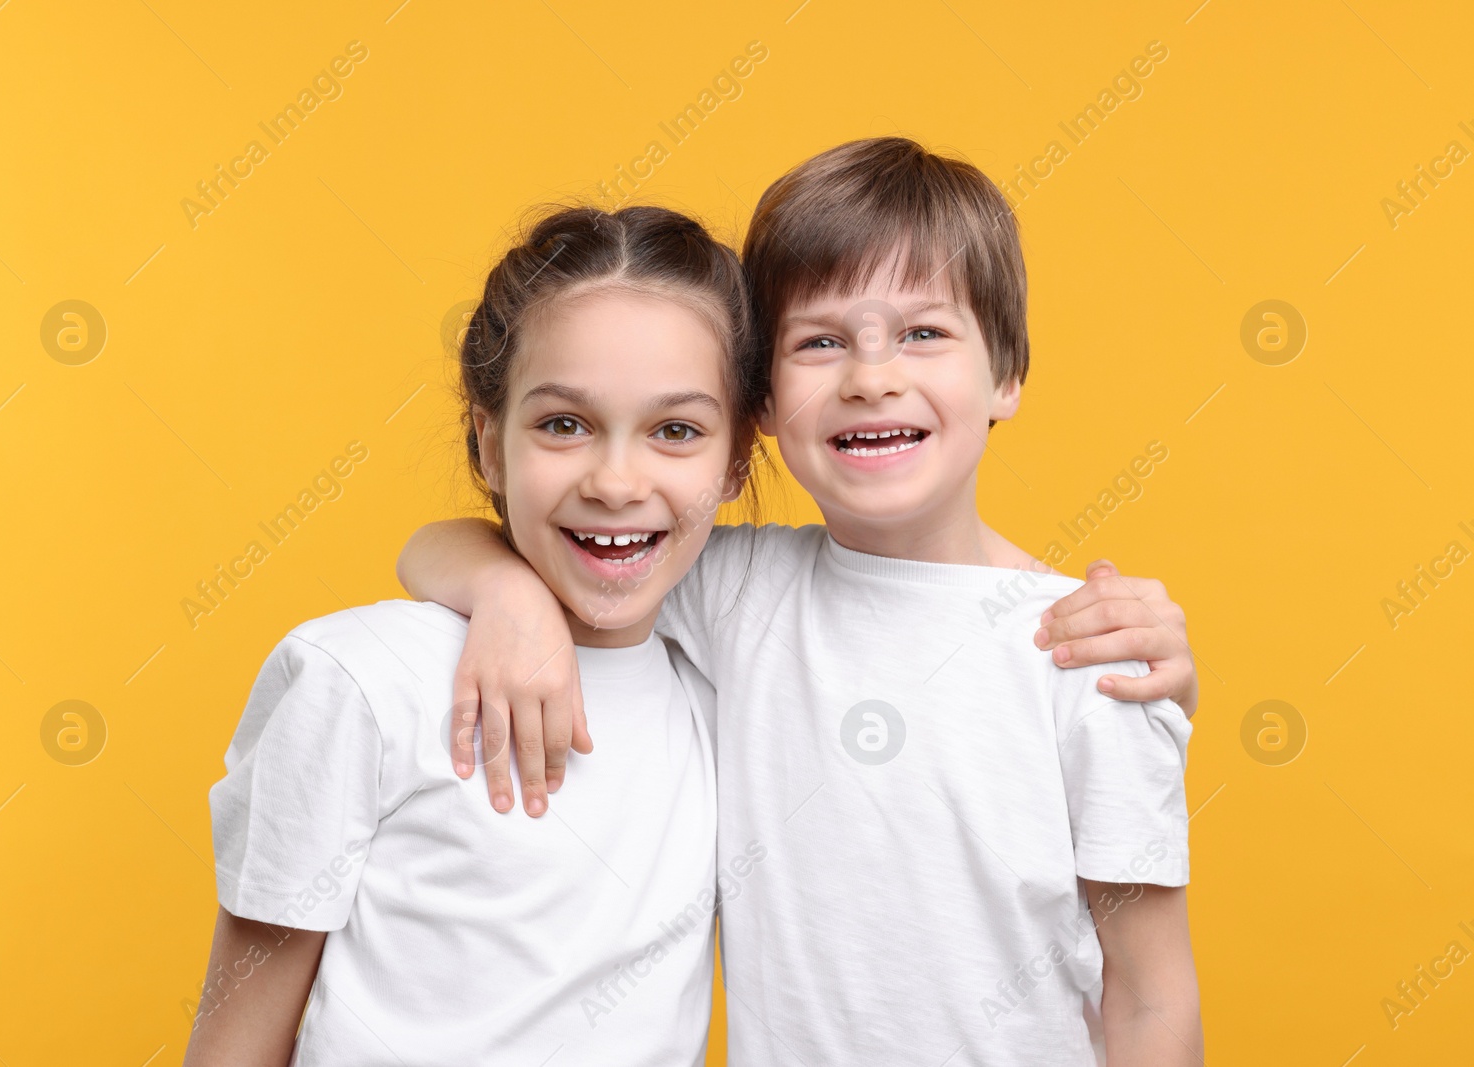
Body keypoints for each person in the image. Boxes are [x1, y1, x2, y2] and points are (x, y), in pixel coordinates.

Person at [399, 137, 1203, 1065]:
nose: (871, 377)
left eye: (924, 332)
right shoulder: (738, 589)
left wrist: (1170, 682)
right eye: (820, 341)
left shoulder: (1091, 648)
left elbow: (1150, 995)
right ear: (765, 403)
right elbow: (454, 543)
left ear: (1008, 374)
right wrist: (509, 597)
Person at [183, 203, 769, 1066]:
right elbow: (234, 1041)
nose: (615, 481)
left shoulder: (734, 687)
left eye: (675, 429)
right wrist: (505, 591)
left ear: (737, 461)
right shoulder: (361, 681)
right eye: (562, 424)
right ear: (487, 446)